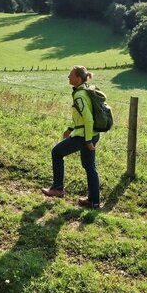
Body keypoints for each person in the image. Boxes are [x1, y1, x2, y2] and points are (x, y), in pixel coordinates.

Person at [41, 65, 101, 208]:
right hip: (92, 134)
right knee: (89, 166)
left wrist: (87, 141)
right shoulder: (86, 91)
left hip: (83, 136)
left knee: (56, 152)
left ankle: (58, 189)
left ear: (78, 78)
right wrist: (70, 128)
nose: (68, 77)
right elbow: (82, 117)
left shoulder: (79, 95)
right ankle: (94, 201)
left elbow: (88, 119)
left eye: (71, 75)